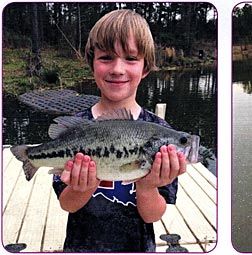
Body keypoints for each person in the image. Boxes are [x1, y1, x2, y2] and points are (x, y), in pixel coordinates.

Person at [52, 9, 187, 252]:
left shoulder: (162, 133)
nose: (117, 68)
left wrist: (147, 186)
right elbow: (68, 205)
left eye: (131, 58)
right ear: (91, 64)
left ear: (146, 68)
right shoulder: (76, 127)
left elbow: (153, 215)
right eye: (106, 57)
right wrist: (82, 188)